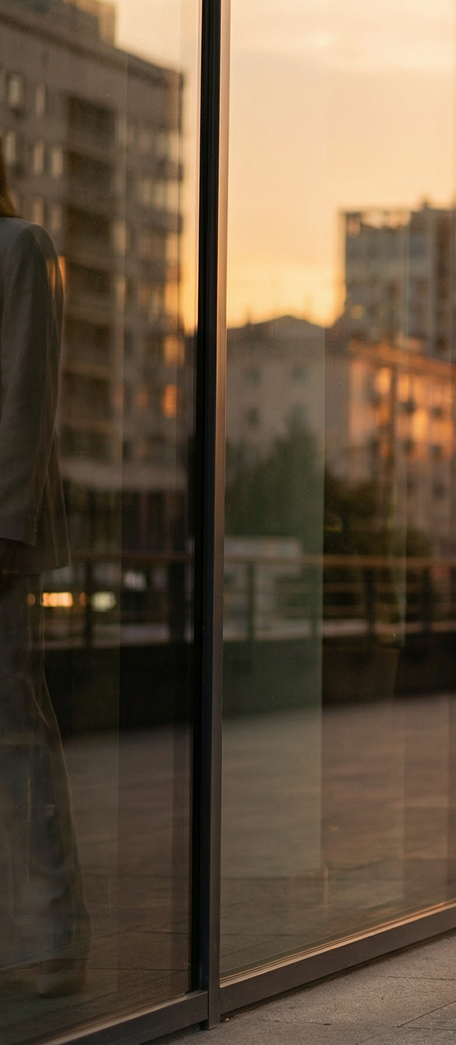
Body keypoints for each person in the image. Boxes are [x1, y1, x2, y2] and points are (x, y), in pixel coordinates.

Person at [0, 164, 89, 997]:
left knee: (16, 733)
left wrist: (3, 533)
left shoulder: (20, 245)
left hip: (1, 543)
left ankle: (53, 931)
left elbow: (23, 399)